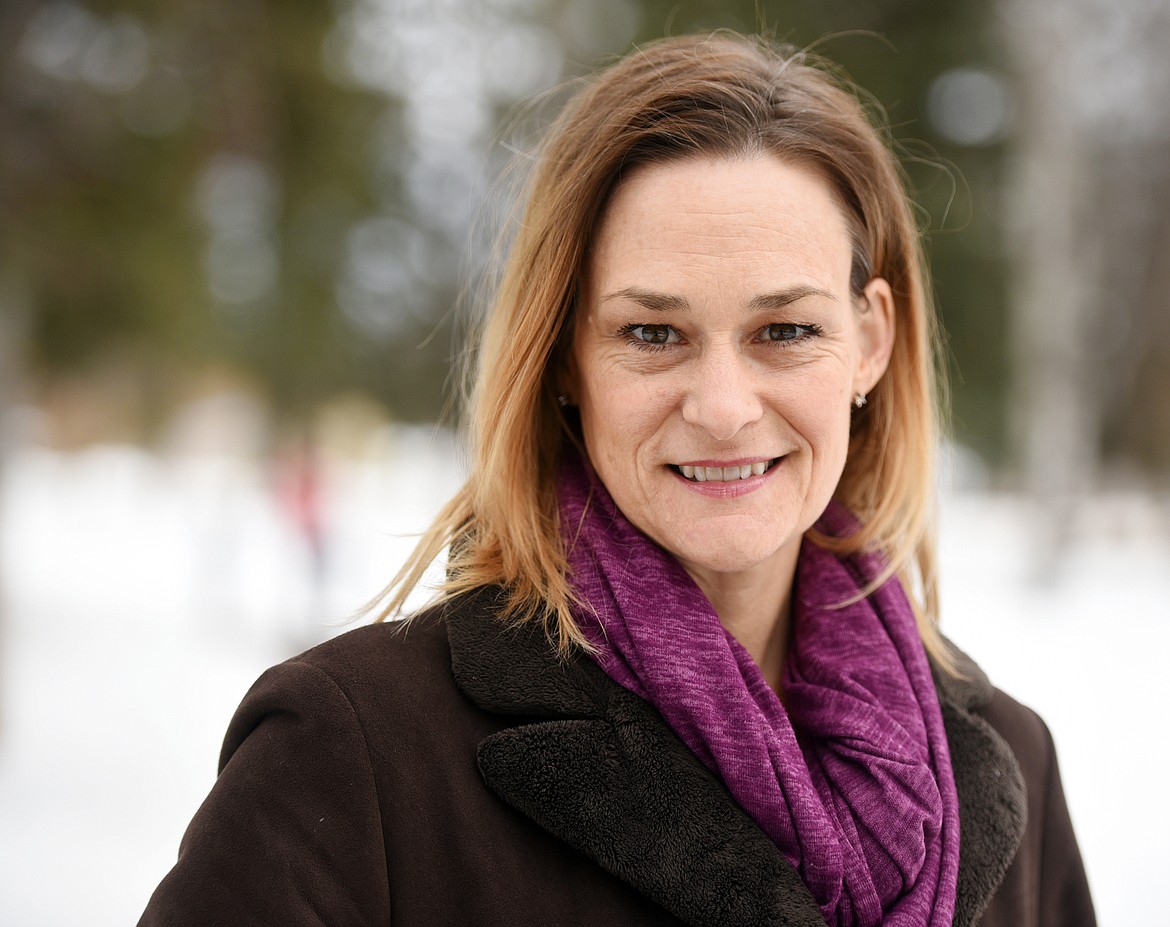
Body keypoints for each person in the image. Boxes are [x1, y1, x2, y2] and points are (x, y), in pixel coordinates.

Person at [139, 33, 1095, 927]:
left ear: (869, 342)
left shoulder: (1008, 761)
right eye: (652, 333)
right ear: (565, 359)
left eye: (786, 330)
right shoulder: (353, 757)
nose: (723, 405)